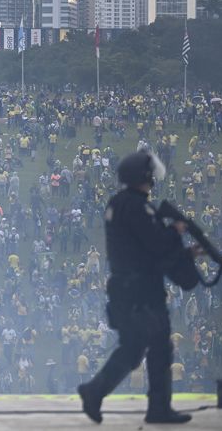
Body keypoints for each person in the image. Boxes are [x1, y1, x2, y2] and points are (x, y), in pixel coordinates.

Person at [78, 151, 197, 425]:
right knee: (157, 346)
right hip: (142, 291)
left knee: (133, 347)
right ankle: (157, 407)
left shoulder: (119, 203)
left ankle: (95, 391)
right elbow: (155, 245)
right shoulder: (137, 207)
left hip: (126, 288)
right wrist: (175, 232)